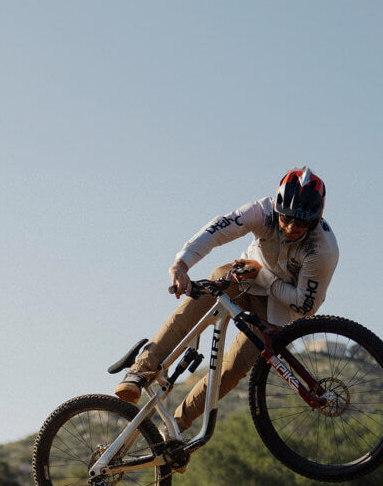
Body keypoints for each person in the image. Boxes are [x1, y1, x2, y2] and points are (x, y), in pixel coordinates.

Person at [115, 167, 339, 433]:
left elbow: (304, 306)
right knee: (197, 303)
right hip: (242, 278)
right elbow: (217, 230)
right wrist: (181, 264)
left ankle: (175, 429)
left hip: (279, 310)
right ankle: (141, 370)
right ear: (277, 208)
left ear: (317, 218)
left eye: (301, 223)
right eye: (286, 218)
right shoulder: (262, 211)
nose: (291, 227)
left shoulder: (322, 249)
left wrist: (264, 276)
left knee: (232, 369)